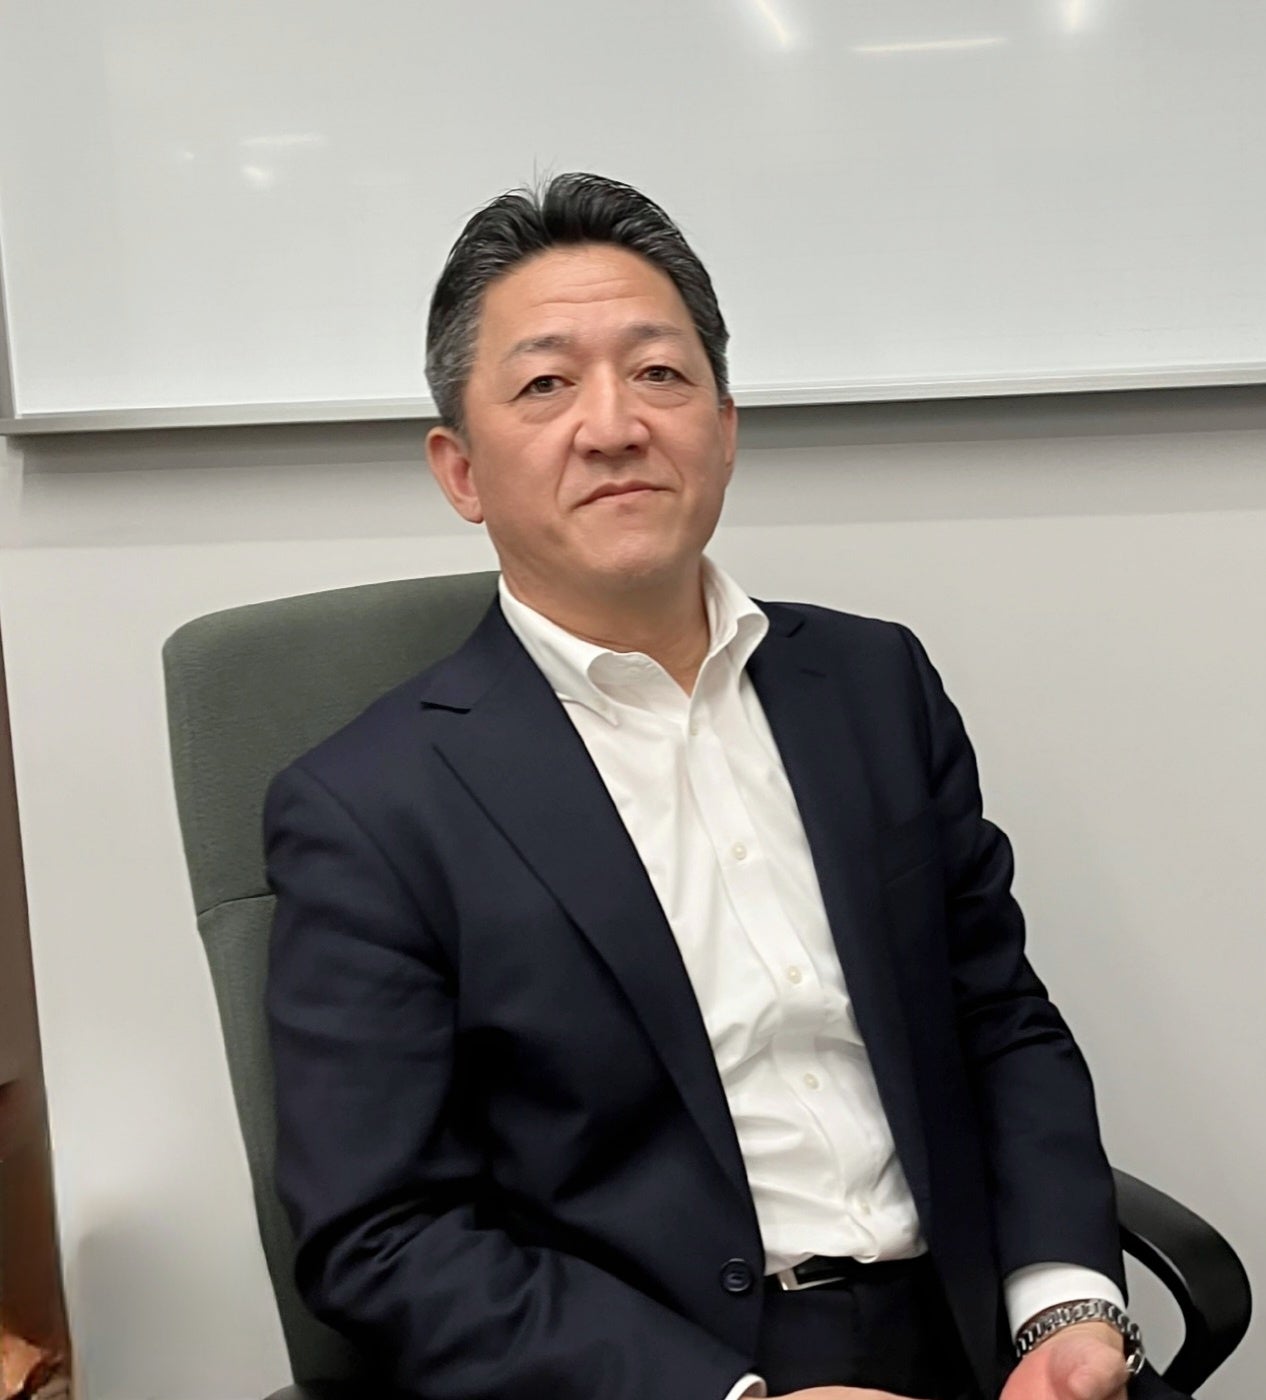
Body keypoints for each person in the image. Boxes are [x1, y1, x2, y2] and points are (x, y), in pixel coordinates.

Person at [264, 173, 1181, 1400]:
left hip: (982, 1323)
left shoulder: (873, 683)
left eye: (660, 372)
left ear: (726, 427)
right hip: (675, 1364)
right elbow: (384, 1232)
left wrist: (1063, 1305)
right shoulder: (371, 806)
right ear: (460, 470)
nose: (614, 425)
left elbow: (999, 1021)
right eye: (545, 385)